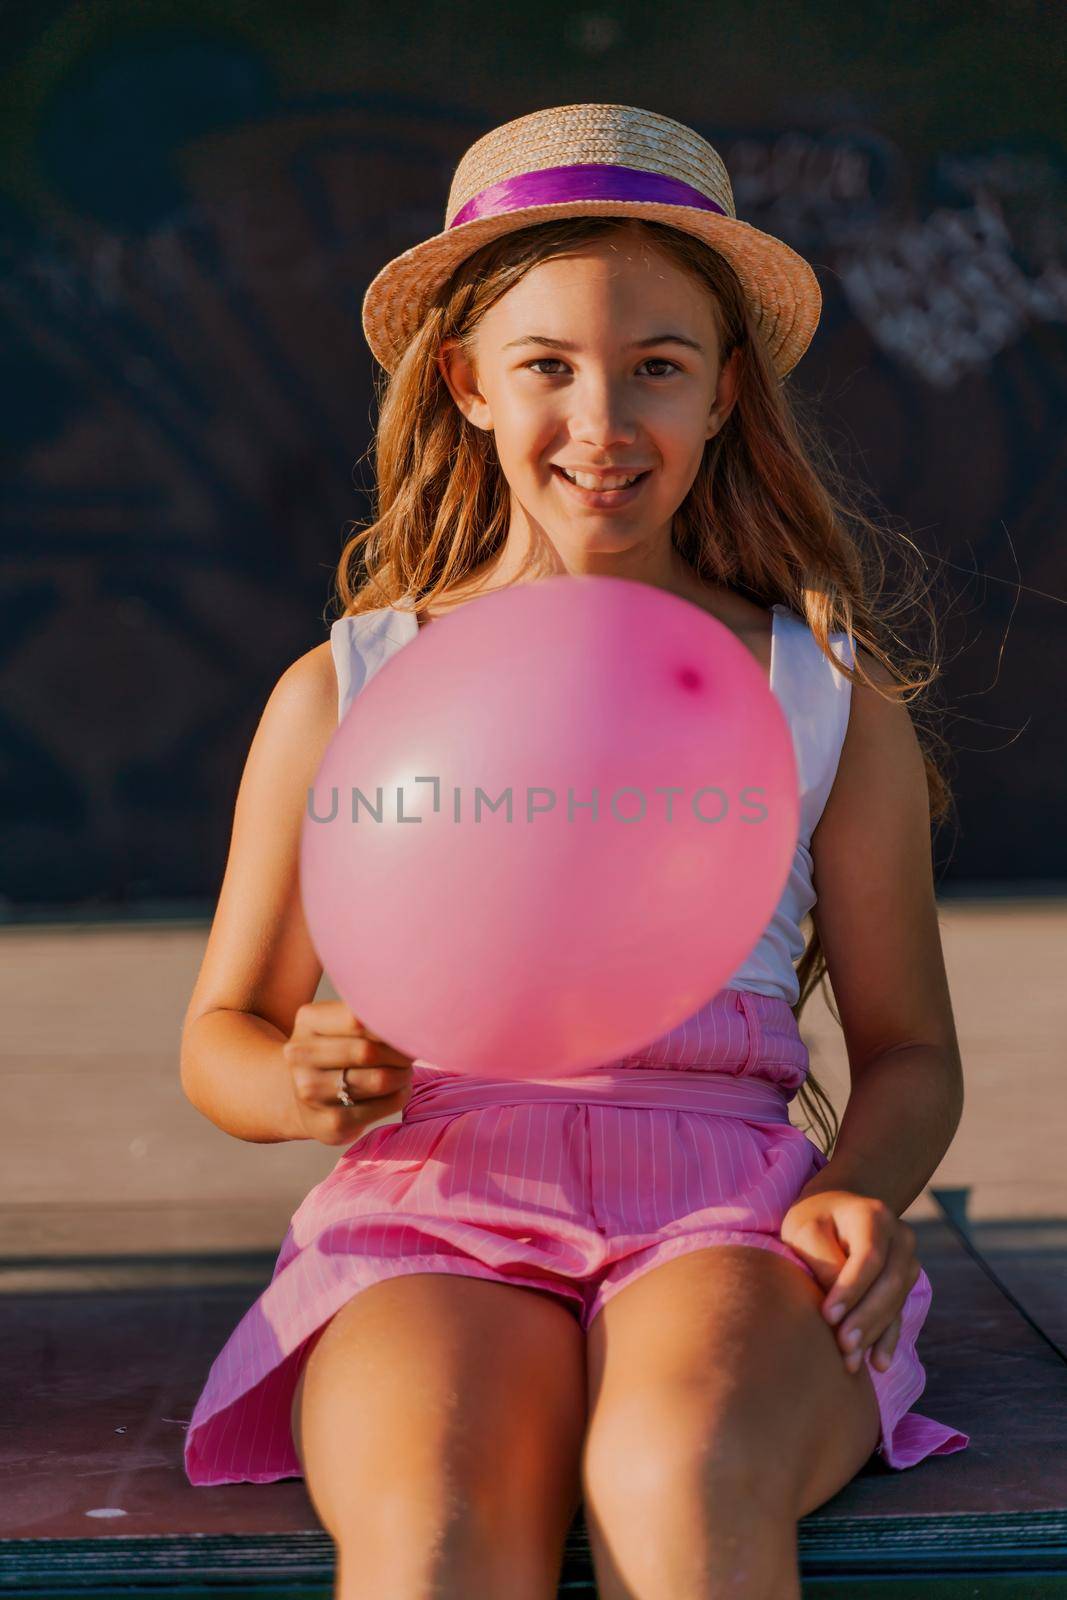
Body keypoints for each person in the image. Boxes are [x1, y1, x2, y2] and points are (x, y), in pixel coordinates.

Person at [179, 103, 969, 1598]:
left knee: (675, 1473)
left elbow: (911, 1048)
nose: (601, 425)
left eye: (656, 369)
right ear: (466, 383)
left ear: (728, 393)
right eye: (546, 366)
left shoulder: (817, 689)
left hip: (725, 1208)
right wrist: (295, 1084)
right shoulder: (350, 683)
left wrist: (858, 1185)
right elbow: (223, 1033)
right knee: (438, 1523)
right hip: (432, 1203)